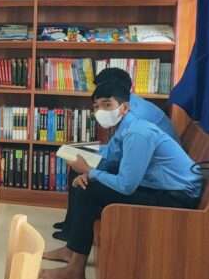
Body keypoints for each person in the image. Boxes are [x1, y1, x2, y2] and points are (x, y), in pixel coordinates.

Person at [39, 80, 201, 279]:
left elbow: (126, 185)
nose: (101, 112)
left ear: (124, 107)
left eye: (108, 105)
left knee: (87, 192)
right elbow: (113, 162)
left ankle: (74, 271)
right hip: (159, 188)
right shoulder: (124, 128)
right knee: (85, 186)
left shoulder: (138, 133)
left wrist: (90, 172)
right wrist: (91, 175)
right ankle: (72, 251)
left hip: (178, 198)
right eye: (96, 107)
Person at [53, 67, 180, 239]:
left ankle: (73, 231)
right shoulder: (126, 107)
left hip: (154, 177)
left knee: (83, 176)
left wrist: (91, 168)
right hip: (141, 166)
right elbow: (115, 148)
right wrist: (86, 150)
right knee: (78, 161)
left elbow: (123, 164)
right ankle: (72, 224)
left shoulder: (136, 117)